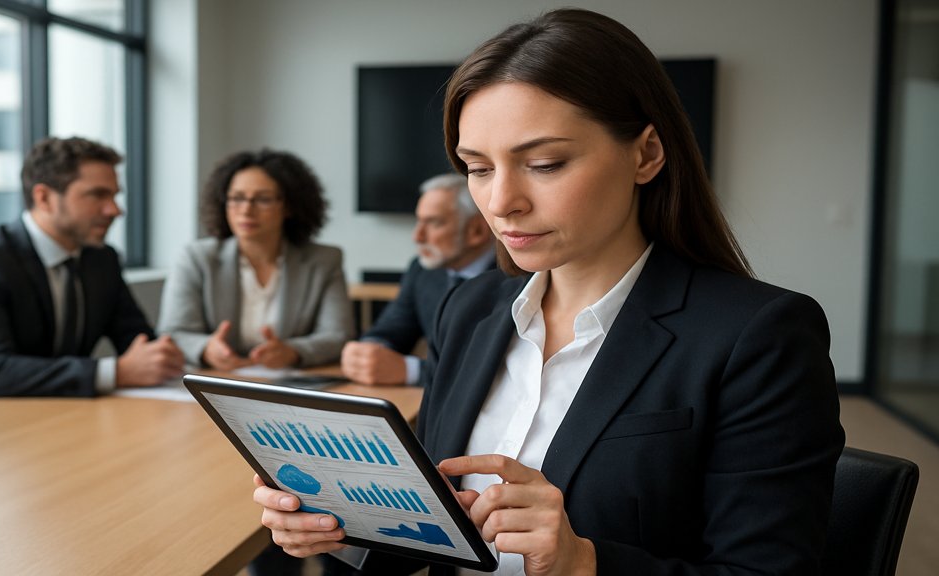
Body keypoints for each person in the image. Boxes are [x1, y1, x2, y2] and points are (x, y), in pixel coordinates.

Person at [252, 8, 846, 576]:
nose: (500, 202)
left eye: (544, 163)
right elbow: (436, 536)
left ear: (646, 153)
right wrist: (344, 527)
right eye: (478, 168)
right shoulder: (470, 310)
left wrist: (581, 563)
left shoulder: (759, 335)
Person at [0, 136, 185, 415]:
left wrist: (161, 355)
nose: (115, 210)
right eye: (98, 195)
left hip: (48, 415)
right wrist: (115, 372)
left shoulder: (102, 260)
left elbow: (137, 340)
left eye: (115, 195)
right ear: (43, 197)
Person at [158, 149, 354, 372]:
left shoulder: (324, 260)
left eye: (263, 199)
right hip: (216, 382)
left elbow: (338, 336)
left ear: (289, 206)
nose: (246, 210)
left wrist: (293, 351)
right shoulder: (196, 258)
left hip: (289, 386)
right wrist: (206, 349)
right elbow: (173, 332)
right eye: (237, 198)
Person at [341, 173, 494, 386]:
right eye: (419, 221)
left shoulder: (517, 279)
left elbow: (492, 369)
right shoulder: (422, 270)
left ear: (476, 230)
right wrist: (368, 352)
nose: (417, 236)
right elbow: (393, 328)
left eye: (433, 223)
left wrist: (410, 370)